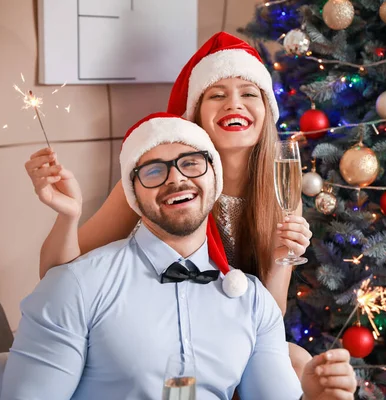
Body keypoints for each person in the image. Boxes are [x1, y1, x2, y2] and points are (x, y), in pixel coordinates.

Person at [2, 113, 356, 400]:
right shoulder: (77, 285)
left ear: (213, 180)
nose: (176, 179)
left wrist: (315, 397)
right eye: (154, 170)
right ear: (133, 195)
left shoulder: (252, 301)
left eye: (191, 163)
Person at [25, 32, 313, 375]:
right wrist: (68, 216)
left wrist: (282, 258)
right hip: (153, 338)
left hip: (233, 336)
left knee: (295, 362)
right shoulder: (161, 182)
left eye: (249, 93)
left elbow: (269, 315)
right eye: (217, 95)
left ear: (266, 110)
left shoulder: (281, 191)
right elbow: (56, 276)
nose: (234, 104)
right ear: (195, 114)